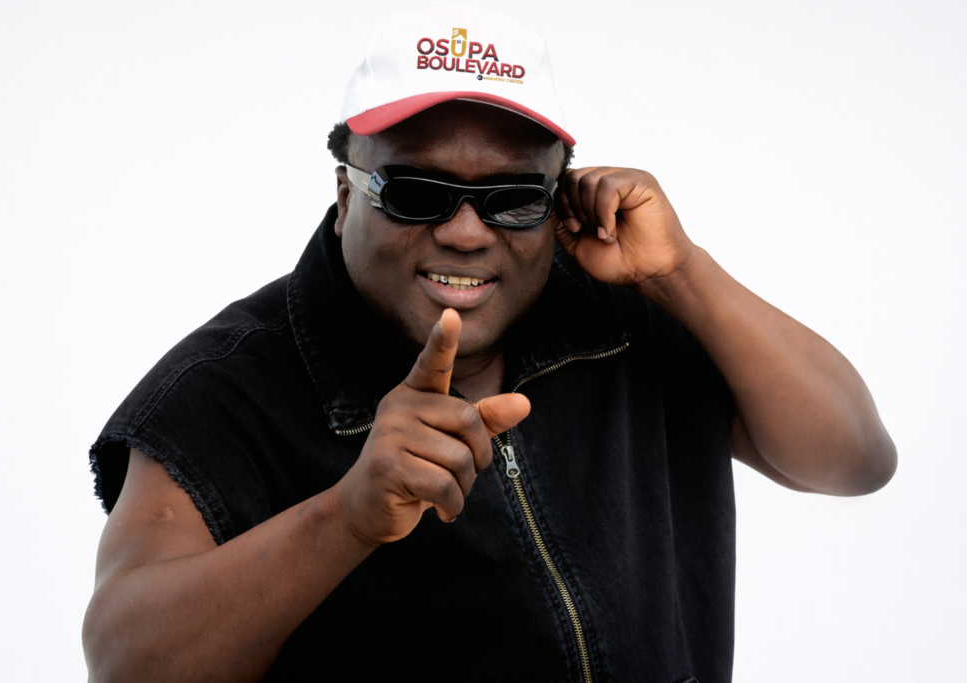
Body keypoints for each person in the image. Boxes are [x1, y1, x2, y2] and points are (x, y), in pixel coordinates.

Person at [82, 4, 896, 682]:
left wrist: (681, 271)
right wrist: (346, 516)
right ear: (345, 192)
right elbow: (125, 662)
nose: (467, 232)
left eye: (512, 196)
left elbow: (855, 459)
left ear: (558, 197)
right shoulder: (225, 389)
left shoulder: (630, 314)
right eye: (416, 191)